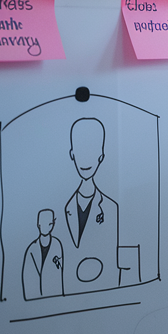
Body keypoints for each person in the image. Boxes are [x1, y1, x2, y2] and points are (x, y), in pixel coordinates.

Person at [63, 117, 120, 292]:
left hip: (103, 292)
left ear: (101, 156)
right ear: (72, 154)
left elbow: (110, 260)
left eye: (92, 150)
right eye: (81, 150)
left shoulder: (111, 207)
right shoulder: (64, 207)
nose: (86, 159)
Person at [22, 208, 63, 300]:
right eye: (43, 223)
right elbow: (27, 277)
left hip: (56, 297)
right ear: (38, 224)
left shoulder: (57, 245)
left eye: (49, 224)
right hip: (34, 299)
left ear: (52, 225)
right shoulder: (31, 249)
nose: (46, 227)